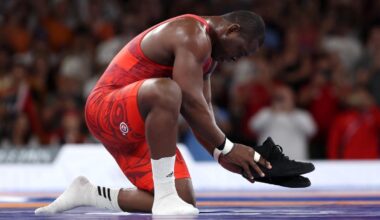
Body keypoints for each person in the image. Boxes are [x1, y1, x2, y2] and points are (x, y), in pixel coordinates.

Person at [35, 11, 306, 216]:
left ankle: (88, 193)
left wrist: (220, 154)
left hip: (140, 122)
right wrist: (228, 146)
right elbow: (188, 100)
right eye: (240, 51)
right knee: (168, 91)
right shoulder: (193, 33)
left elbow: (203, 111)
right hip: (104, 109)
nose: (236, 59)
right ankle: (164, 196)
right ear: (232, 29)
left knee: (185, 200)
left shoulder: (208, 58)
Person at [250, 85, 316, 160]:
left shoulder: (302, 115)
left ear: (293, 98)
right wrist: (273, 112)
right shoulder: (266, 113)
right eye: (279, 97)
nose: (282, 100)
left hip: (296, 161)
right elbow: (253, 127)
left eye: (284, 98)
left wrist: (291, 112)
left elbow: (311, 131)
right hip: (268, 161)